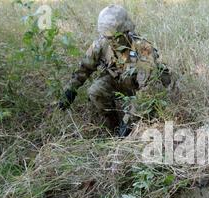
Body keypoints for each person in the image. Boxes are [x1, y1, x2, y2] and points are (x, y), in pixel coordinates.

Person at [58, 4, 173, 136]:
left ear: (126, 31)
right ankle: (114, 126)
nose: (111, 41)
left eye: (115, 36)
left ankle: (132, 129)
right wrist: (70, 89)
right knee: (95, 91)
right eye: (108, 37)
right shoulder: (101, 44)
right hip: (120, 81)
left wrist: (129, 121)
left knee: (144, 114)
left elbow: (146, 91)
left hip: (139, 89)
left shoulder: (143, 49)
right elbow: (85, 67)